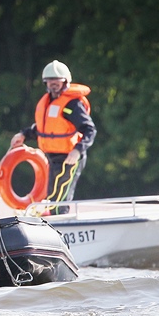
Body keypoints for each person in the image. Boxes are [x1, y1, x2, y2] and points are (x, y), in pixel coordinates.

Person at [10, 60, 96, 215]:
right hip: (52, 158)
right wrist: (23, 134)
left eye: (57, 81)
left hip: (69, 158)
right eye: (50, 81)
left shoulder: (72, 105)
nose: (53, 84)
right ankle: (50, 226)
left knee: (59, 198)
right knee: (51, 196)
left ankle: (61, 230)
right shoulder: (48, 102)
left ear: (65, 82)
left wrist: (77, 151)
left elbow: (89, 129)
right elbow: (44, 130)